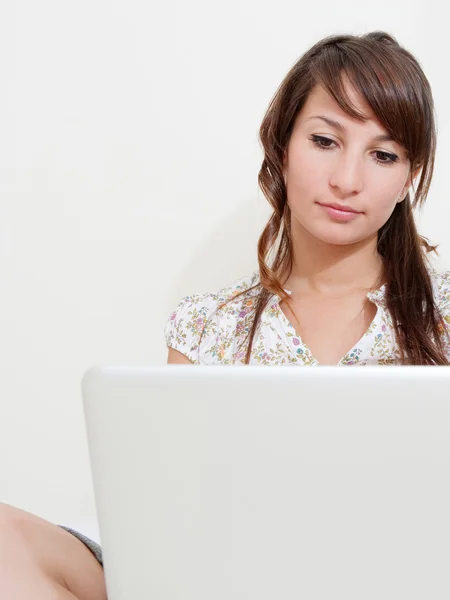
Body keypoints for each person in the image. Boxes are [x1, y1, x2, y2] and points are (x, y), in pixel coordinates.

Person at [2, 30, 449, 600]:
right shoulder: (209, 325)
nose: (347, 180)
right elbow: (173, 515)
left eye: (383, 155)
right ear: (281, 145)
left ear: (408, 177)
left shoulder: (441, 319)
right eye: (325, 141)